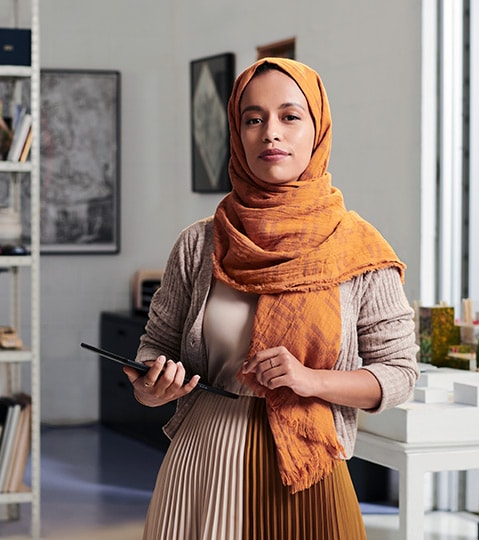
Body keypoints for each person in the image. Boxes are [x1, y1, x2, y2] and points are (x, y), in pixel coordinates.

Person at [127, 57, 419, 539]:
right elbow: (155, 345)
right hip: (204, 462)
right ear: (237, 134)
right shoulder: (200, 245)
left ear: (318, 129)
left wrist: (311, 381)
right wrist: (150, 384)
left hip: (312, 468)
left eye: (290, 116)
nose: (271, 134)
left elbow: (400, 374)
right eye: (253, 118)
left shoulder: (359, 248)